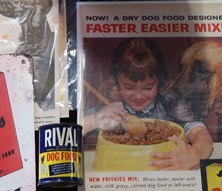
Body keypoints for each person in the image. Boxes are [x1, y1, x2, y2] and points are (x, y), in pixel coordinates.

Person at [83, 38, 213, 170]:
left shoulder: (171, 106)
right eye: (129, 87)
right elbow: (74, 129)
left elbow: (202, 135)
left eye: (148, 87)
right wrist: (94, 120)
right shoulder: (107, 112)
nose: (139, 95)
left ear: (160, 82)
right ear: (116, 82)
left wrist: (194, 154)